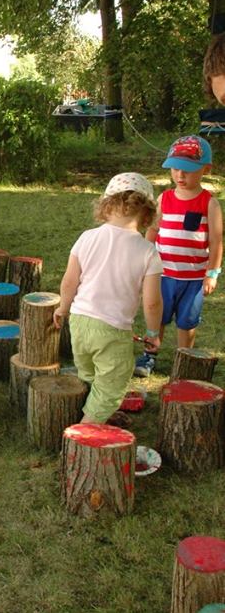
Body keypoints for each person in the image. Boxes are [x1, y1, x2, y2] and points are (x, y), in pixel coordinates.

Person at [53, 173, 163, 425]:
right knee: (112, 384)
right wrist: (153, 332)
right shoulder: (148, 252)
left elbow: (69, 281)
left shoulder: (87, 237)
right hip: (112, 330)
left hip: (79, 323)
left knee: (90, 374)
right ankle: (85, 432)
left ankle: (94, 412)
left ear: (106, 205)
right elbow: (152, 302)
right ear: (147, 215)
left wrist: (62, 308)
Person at [134, 135, 223, 377]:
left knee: (187, 321)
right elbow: (153, 231)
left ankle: (184, 360)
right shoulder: (164, 199)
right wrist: (143, 260)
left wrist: (212, 273)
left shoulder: (210, 204)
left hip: (193, 280)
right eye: (175, 169)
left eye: (187, 170)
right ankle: (149, 356)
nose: (180, 175)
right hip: (162, 275)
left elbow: (216, 242)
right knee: (157, 317)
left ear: (206, 169)